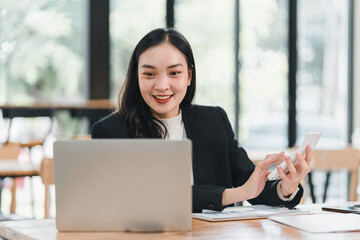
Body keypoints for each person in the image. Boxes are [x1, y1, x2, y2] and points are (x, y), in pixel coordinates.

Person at [91, 28, 312, 213]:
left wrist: (285, 186)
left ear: (189, 76)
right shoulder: (111, 131)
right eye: (149, 74)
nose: (161, 85)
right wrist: (237, 193)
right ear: (136, 77)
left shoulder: (213, 120)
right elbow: (151, 198)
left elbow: (251, 184)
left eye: (174, 73)